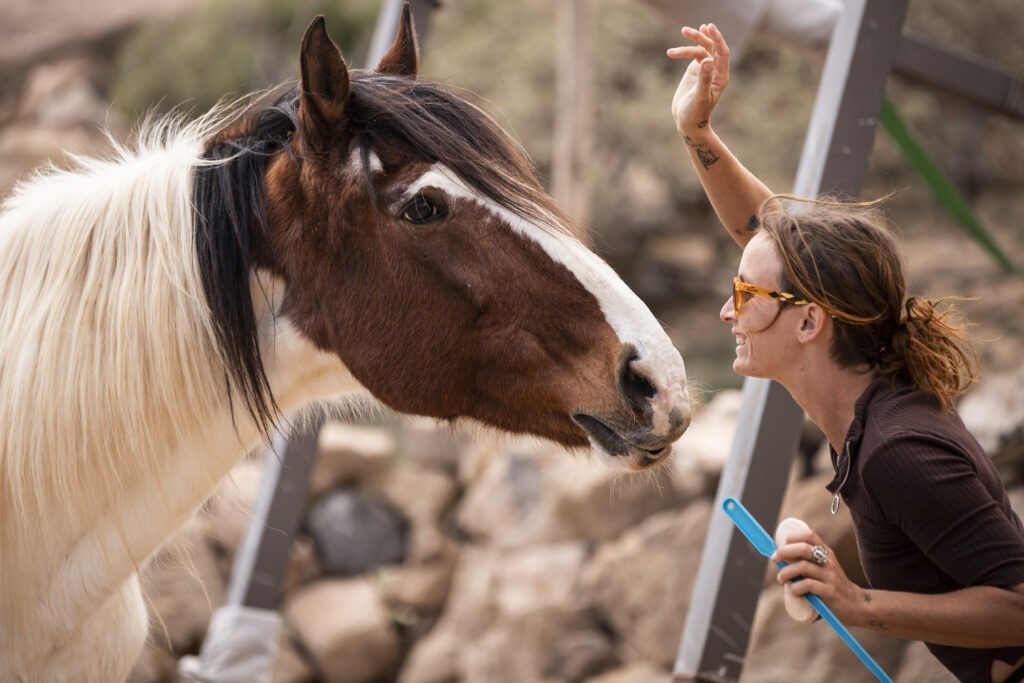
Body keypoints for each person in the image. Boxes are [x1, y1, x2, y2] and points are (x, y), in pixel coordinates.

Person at [667, 23, 1024, 683]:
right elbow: (775, 243)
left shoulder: (898, 450)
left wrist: (855, 601)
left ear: (809, 323)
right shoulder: (870, 406)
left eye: (743, 294)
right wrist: (697, 133)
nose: (727, 310)